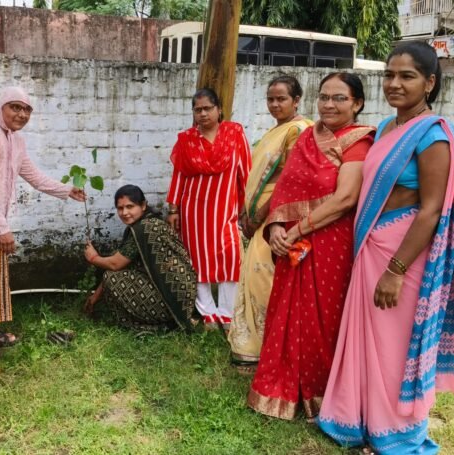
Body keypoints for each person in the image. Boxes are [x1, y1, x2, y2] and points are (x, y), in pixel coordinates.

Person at [318, 43, 454, 454]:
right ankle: (359, 420)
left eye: (407, 76)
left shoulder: (433, 136)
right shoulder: (385, 129)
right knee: (369, 341)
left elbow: (431, 210)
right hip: (372, 245)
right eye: (389, 75)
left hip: (403, 253)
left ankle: (399, 435)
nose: (394, 84)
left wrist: (396, 269)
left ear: (430, 82)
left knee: (395, 348)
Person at [247, 72, 376, 420]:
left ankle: (320, 392)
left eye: (339, 98)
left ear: (357, 103)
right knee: (287, 312)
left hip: (330, 241)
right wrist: (275, 225)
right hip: (291, 243)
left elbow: (346, 198)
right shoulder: (306, 138)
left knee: (322, 316)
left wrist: (297, 229)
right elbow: (285, 186)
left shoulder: (359, 142)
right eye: (324, 97)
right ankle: (283, 386)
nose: (329, 104)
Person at [0, 86, 86, 347]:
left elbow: (33, 176)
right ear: (1, 107)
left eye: (27, 110)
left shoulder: (15, 140)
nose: (22, 114)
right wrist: (1, 228)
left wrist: (67, 190)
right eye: (15, 107)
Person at [228, 75, 313, 371]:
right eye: (271, 99)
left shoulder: (299, 131)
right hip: (260, 217)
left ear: (297, 100)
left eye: (282, 99)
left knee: (264, 278)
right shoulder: (278, 130)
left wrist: (261, 215)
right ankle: (251, 348)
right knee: (254, 275)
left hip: (277, 219)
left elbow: (289, 183)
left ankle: (271, 348)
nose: (275, 104)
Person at [166, 88, 251, 330]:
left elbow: (245, 171)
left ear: (219, 109)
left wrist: (248, 207)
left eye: (207, 108)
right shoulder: (186, 139)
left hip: (226, 208)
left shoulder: (234, 133)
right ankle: (208, 314)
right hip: (193, 209)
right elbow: (179, 175)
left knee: (230, 256)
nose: (203, 114)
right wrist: (173, 209)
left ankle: (227, 313)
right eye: (198, 109)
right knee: (197, 259)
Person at [83, 185, 196, 331]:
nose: (125, 212)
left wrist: (93, 258)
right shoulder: (147, 223)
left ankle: (159, 325)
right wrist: (95, 297)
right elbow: (121, 263)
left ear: (143, 205)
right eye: (120, 208)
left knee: (112, 278)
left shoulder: (144, 229)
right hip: (177, 296)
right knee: (112, 274)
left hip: (172, 300)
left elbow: (115, 264)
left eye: (130, 206)